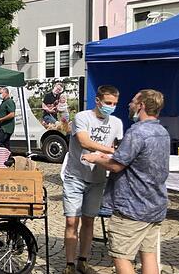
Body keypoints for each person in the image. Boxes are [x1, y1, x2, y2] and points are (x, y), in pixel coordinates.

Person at [83, 89, 169, 274]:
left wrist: (95, 158)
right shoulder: (162, 132)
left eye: (132, 101)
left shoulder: (137, 132)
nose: (129, 105)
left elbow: (116, 165)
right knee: (149, 255)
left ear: (141, 105)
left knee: (121, 257)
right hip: (155, 205)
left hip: (132, 208)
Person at [61, 85, 123, 274]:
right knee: (72, 221)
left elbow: (119, 146)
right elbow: (84, 141)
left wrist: (114, 153)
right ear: (98, 101)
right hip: (75, 176)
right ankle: (69, 264)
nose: (111, 107)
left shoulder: (117, 123)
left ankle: (83, 260)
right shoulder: (82, 117)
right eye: (107, 103)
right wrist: (111, 150)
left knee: (89, 220)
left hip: (97, 179)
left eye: (114, 104)